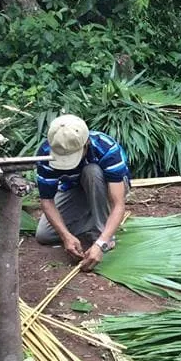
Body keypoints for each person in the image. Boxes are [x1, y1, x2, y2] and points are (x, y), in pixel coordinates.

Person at [35, 115, 130, 271]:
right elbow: (47, 201)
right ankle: (95, 217)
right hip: (73, 189)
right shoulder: (46, 153)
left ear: (86, 143)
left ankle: (103, 234)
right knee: (45, 235)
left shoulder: (106, 148)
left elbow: (118, 204)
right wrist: (66, 236)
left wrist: (101, 243)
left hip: (107, 188)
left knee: (91, 171)